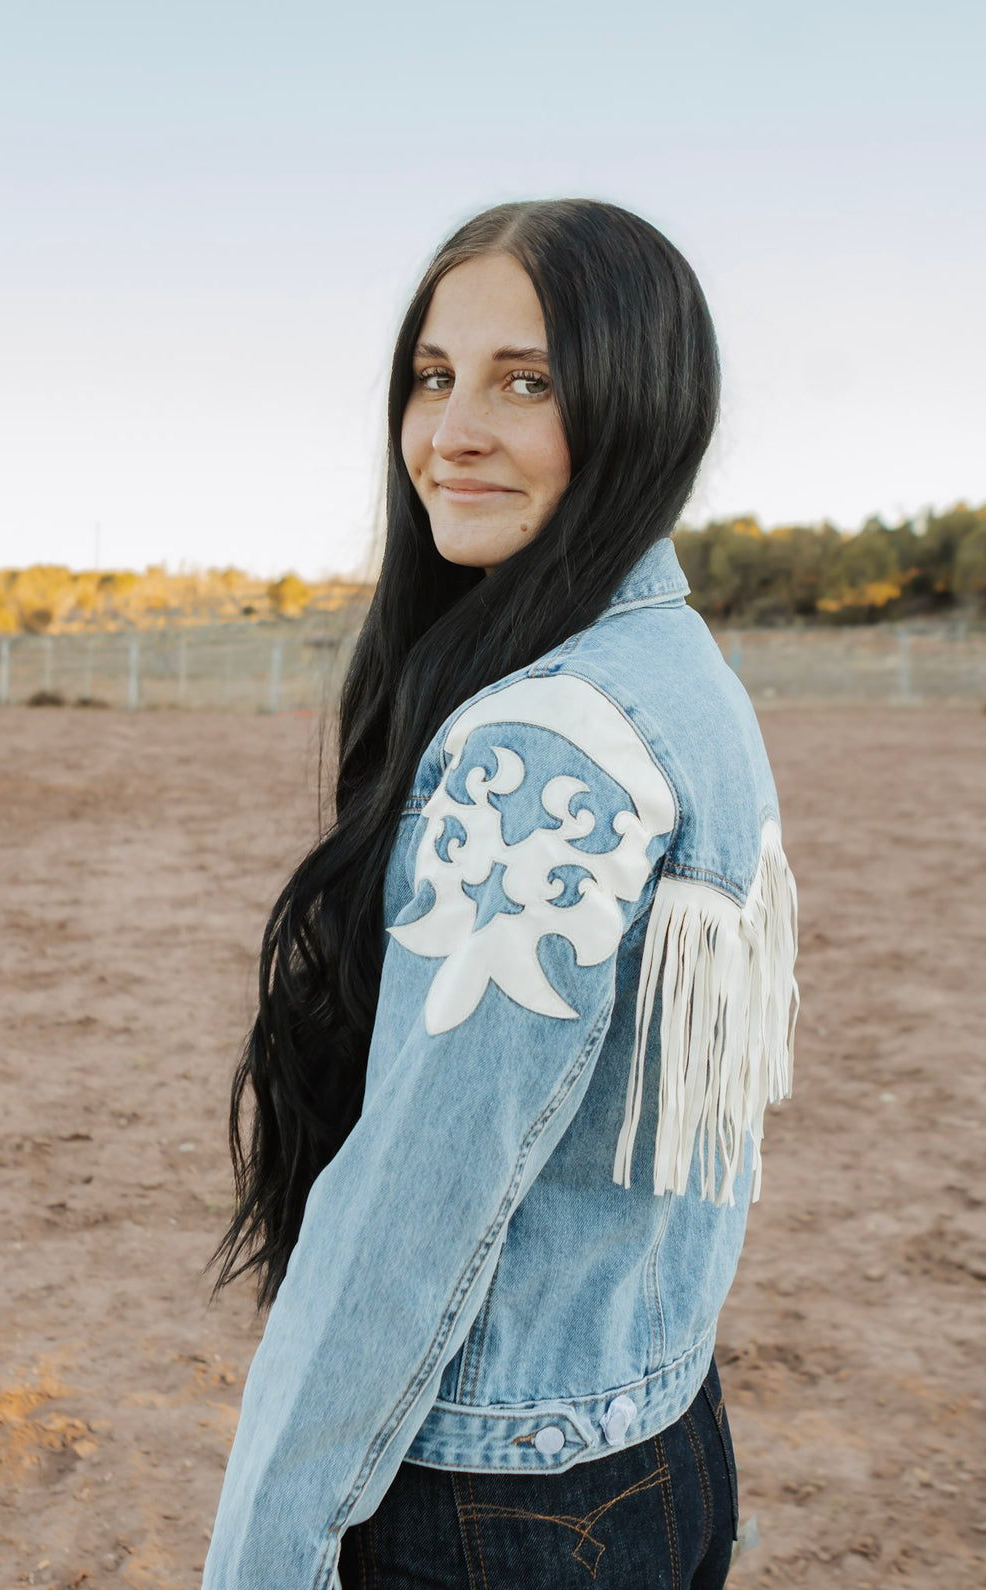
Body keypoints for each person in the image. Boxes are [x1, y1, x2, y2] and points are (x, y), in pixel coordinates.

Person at [202, 198, 799, 1589]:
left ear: (642, 404)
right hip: (660, 1436)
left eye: (526, 382)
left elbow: (415, 1209)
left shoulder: (544, 743)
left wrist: (266, 1553)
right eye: (434, 375)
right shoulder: (683, 675)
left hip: (496, 1501)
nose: (452, 431)